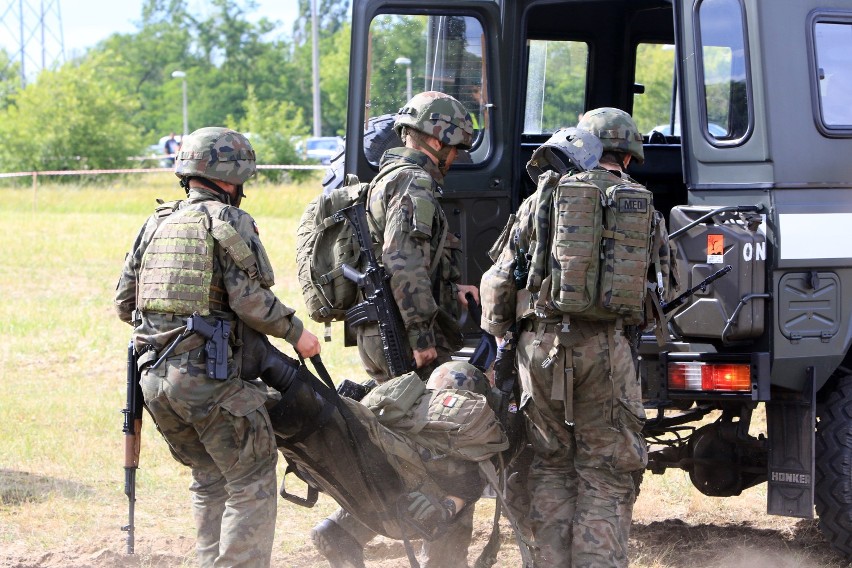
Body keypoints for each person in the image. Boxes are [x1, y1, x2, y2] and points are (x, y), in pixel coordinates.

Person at [114, 126, 320, 567]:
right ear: (229, 178)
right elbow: (250, 301)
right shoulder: (227, 221)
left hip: (155, 384)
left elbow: (123, 303)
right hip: (208, 383)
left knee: (210, 479)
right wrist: (296, 332)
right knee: (251, 480)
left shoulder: (156, 223)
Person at [480, 108, 676, 567]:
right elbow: (665, 285)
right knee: (605, 474)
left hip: (539, 350)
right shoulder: (641, 205)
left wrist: (499, 341)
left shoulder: (542, 199)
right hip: (606, 351)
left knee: (549, 465)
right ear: (627, 156)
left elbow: (499, 282)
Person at [312, 91, 481, 567]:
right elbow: (402, 261)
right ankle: (432, 557)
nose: (456, 157)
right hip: (403, 337)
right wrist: (424, 337)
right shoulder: (414, 183)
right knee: (443, 450)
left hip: (384, 329)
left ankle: (345, 530)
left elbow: (411, 264)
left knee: (403, 447)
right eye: (456, 146)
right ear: (439, 139)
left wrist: (450, 289)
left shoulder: (387, 178)